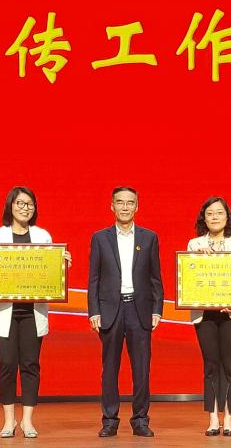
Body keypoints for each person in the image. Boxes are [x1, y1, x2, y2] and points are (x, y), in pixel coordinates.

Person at [0, 186, 71, 439]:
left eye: (29, 204)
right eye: (20, 203)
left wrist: (61, 264)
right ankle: (9, 420)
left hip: (32, 312)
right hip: (3, 312)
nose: (25, 208)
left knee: (30, 364)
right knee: (7, 364)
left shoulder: (43, 236)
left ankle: (27, 420)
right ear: (10, 206)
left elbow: (50, 272)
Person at [87, 186, 163, 438]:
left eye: (130, 203)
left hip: (139, 310)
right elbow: (94, 279)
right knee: (110, 368)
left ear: (137, 207)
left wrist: (157, 309)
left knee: (141, 369)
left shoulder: (149, 238)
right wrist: (94, 311)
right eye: (120, 202)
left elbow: (155, 277)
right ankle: (109, 420)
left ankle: (140, 420)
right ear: (112, 206)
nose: (125, 207)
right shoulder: (100, 238)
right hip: (110, 310)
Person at [186, 196, 231, 437]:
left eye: (219, 213)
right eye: (210, 213)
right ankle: (213, 417)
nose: (215, 217)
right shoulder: (194, 244)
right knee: (211, 364)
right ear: (204, 218)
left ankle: (229, 417)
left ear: (227, 217)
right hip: (204, 314)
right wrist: (197, 258)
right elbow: (190, 277)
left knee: (228, 363)